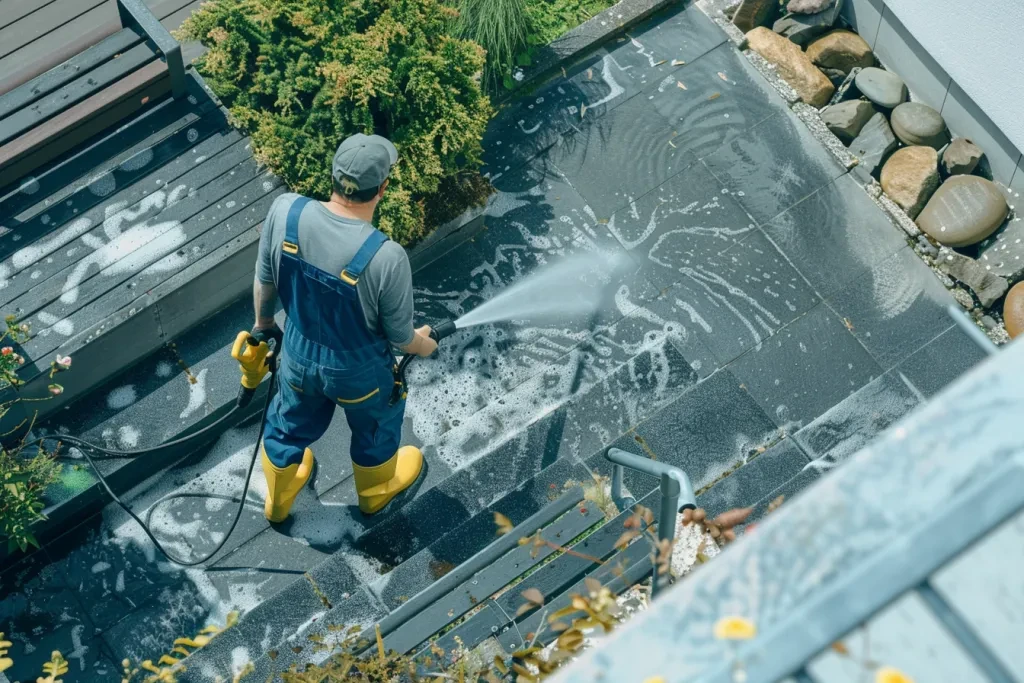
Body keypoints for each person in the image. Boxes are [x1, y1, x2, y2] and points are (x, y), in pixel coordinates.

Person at [251, 133, 437, 523]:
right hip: (360, 376)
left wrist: (264, 325)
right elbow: (401, 338)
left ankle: (278, 500)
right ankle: (374, 494)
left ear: (333, 177)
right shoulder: (386, 257)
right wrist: (425, 346)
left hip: (298, 355)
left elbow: (265, 280)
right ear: (382, 189)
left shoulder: (285, 211)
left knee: (286, 423)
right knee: (375, 426)